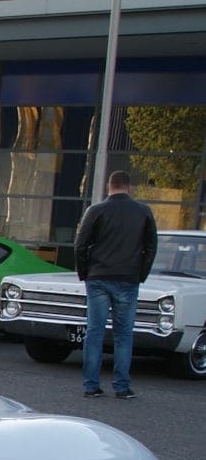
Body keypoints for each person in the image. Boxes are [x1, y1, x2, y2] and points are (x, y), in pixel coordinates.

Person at [75, 169, 157, 399]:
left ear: (109, 186)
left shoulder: (96, 210)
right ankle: (122, 386)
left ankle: (91, 386)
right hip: (128, 279)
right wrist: (141, 274)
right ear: (128, 187)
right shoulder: (143, 212)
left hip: (98, 277)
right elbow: (151, 247)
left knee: (94, 332)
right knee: (123, 334)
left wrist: (85, 273)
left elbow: (80, 245)